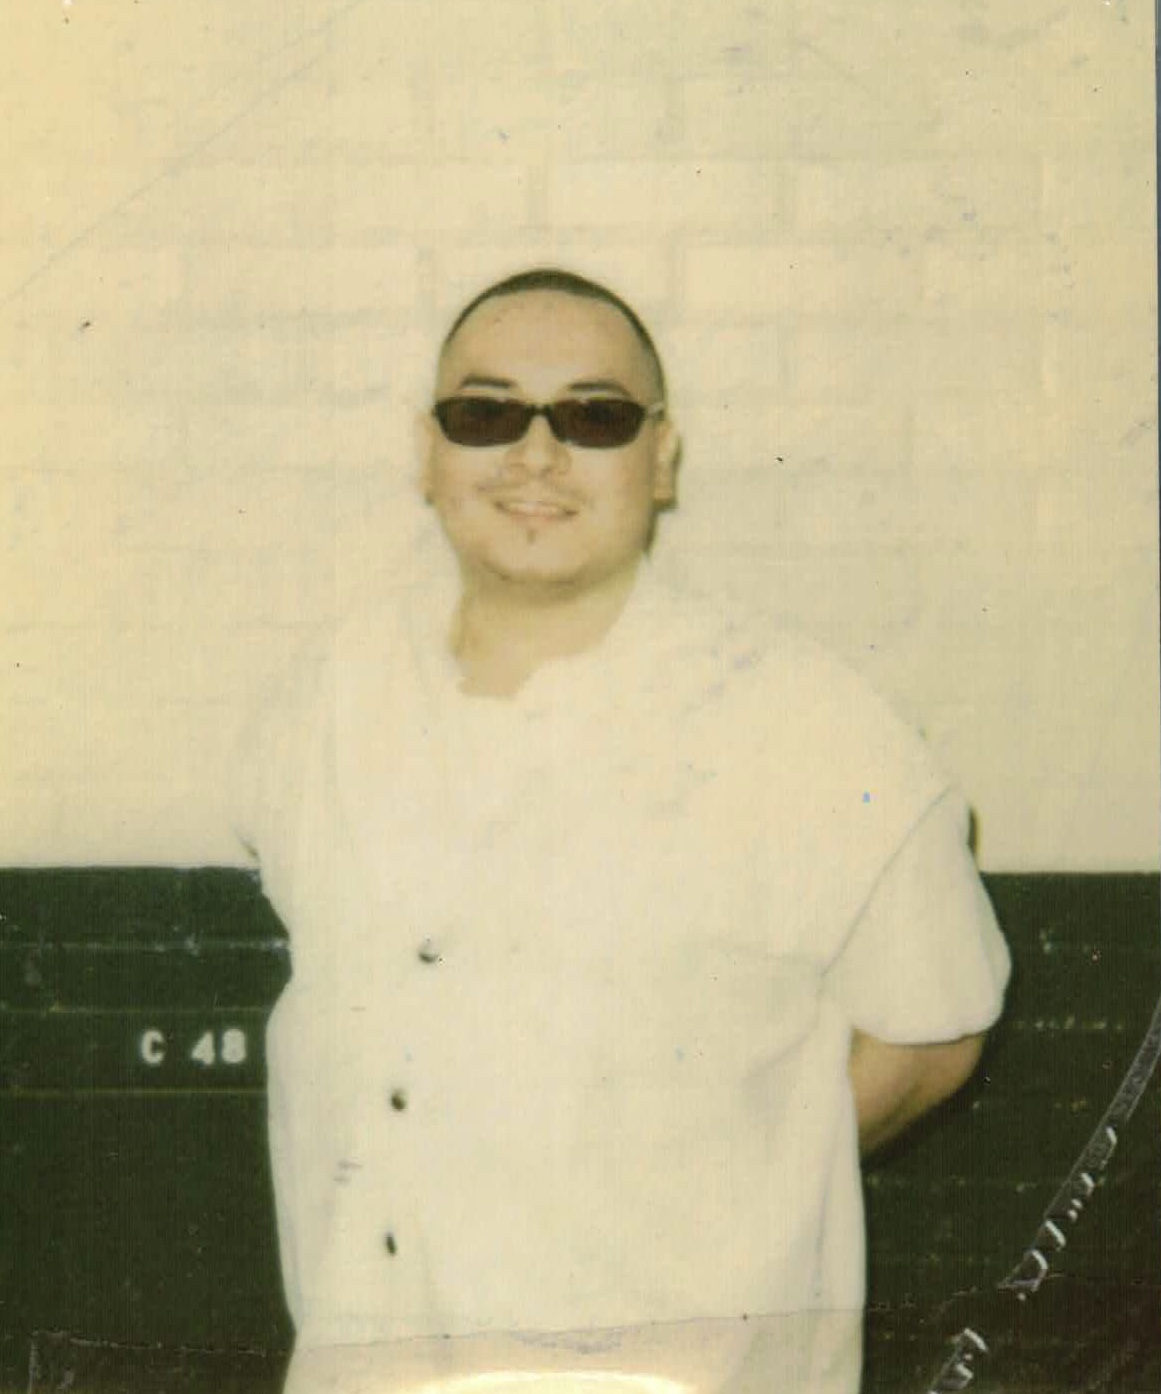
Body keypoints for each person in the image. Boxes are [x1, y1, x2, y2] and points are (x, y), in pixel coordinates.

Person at [236, 268, 1011, 1394]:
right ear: (426, 451)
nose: (535, 455)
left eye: (593, 417)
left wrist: (736, 1189)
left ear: (662, 456)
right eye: (486, 413)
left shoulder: (814, 730)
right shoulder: (325, 702)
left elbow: (933, 1037)